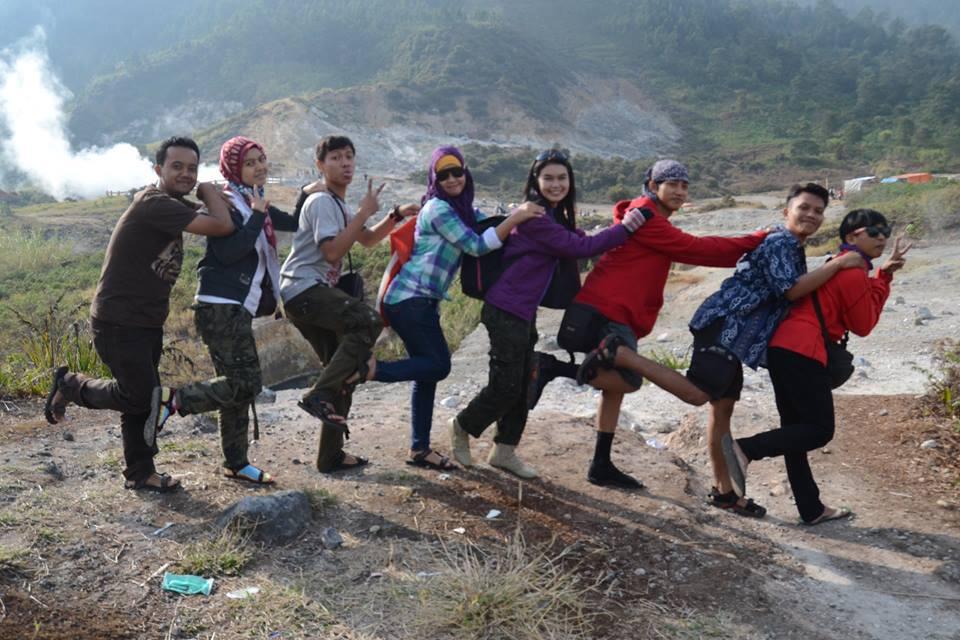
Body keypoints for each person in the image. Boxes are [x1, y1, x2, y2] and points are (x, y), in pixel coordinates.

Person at [583, 184, 864, 514]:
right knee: (699, 394)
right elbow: (790, 291)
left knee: (722, 411)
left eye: (818, 211)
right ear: (786, 211)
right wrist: (837, 265)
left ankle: (724, 493)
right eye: (804, 208)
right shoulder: (781, 242)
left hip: (736, 337)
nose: (811, 215)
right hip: (725, 328)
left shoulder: (791, 245)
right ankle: (620, 354)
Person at [43, 136, 234, 492]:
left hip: (146, 320)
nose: (186, 174)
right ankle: (70, 386)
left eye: (193, 169)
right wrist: (208, 191)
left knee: (141, 400)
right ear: (158, 169)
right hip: (119, 320)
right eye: (177, 166)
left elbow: (216, 220)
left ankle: (141, 473)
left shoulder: (169, 204)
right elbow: (222, 225)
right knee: (141, 396)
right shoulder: (155, 203)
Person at [568, 159, 768, 489]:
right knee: (629, 381)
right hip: (610, 310)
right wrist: (755, 239)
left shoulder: (647, 215)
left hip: (616, 310)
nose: (679, 190)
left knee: (613, 390)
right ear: (652, 185)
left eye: (684, 185)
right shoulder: (647, 216)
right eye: (671, 183)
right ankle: (568, 366)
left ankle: (600, 463)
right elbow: (697, 249)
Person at [450, 149, 648, 478]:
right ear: (535, 181)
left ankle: (504, 450)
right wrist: (625, 228)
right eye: (549, 178)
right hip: (505, 310)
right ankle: (461, 426)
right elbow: (579, 248)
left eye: (562, 178)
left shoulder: (552, 215)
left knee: (523, 380)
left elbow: (576, 239)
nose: (556, 184)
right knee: (506, 386)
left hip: (521, 312)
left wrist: (613, 235)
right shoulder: (534, 217)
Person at [144, 136, 314, 485]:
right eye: (250, 162)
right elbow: (227, 253)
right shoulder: (228, 203)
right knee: (247, 384)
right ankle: (173, 401)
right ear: (235, 168)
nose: (259, 167)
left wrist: (308, 192)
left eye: (262, 159)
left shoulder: (254, 201)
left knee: (235, 388)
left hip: (235, 309)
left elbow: (296, 222)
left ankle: (235, 462)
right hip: (221, 308)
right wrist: (255, 216)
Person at [722, 210, 909, 524]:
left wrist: (883, 274)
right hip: (804, 351)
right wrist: (884, 281)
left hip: (783, 349)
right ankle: (745, 449)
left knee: (794, 431)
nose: (882, 237)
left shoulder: (837, 264)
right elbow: (863, 324)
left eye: (885, 231)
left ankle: (811, 508)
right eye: (874, 231)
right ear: (852, 237)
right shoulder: (852, 272)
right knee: (820, 430)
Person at [367, 146, 543, 470]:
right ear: (434, 179)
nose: (451, 179)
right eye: (443, 174)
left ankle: (419, 449)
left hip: (420, 302)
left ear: (466, 173)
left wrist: (525, 221)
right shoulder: (438, 209)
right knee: (439, 366)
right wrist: (517, 217)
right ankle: (370, 370)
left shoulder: (461, 210)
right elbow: (477, 246)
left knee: (427, 373)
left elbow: (489, 225)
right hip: (410, 298)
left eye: (456, 172)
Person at [280, 135, 418, 473]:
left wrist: (394, 215)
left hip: (307, 295)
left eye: (349, 157)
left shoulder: (338, 206)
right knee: (369, 321)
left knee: (344, 372)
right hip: (304, 290)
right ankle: (318, 395)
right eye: (336, 157)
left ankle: (330, 456)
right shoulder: (321, 203)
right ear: (320, 165)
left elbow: (368, 240)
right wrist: (364, 212)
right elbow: (331, 252)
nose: (345, 163)